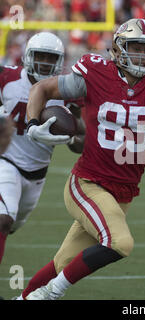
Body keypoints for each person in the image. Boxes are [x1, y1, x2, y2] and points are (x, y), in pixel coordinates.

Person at [17, 18, 145, 300]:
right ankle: (50, 294)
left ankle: (23, 298)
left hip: (123, 193)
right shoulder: (95, 71)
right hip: (87, 183)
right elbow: (41, 89)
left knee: (63, 263)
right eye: (135, 47)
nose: (141, 55)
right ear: (117, 48)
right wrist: (31, 124)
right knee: (119, 242)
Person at [0, 32, 85, 265]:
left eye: (50, 58)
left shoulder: (67, 91)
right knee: (3, 220)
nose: (45, 63)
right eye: (40, 56)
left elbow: (83, 139)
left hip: (37, 174)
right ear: (28, 56)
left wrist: (69, 139)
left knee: (11, 226)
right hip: (6, 162)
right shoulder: (6, 78)